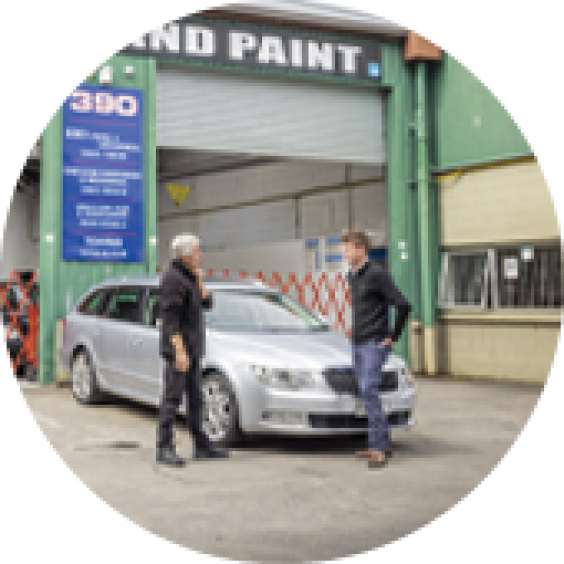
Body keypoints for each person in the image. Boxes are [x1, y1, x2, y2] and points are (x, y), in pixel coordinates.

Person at [157, 233, 229, 467]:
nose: (200, 255)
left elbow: (208, 303)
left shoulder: (190, 276)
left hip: (194, 349)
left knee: (196, 399)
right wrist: (179, 351)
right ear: (186, 255)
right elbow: (170, 319)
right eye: (197, 251)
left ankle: (201, 445)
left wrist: (199, 279)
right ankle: (164, 447)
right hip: (179, 350)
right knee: (172, 398)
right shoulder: (172, 279)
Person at [342, 230, 412, 469]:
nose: (345, 252)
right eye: (344, 248)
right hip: (358, 343)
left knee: (370, 390)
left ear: (361, 250)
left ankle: (379, 449)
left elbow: (403, 305)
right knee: (365, 392)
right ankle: (379, 443)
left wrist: (393, 336)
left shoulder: (377, 274)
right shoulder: (352, 276)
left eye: (349, 248)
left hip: (374, 343)